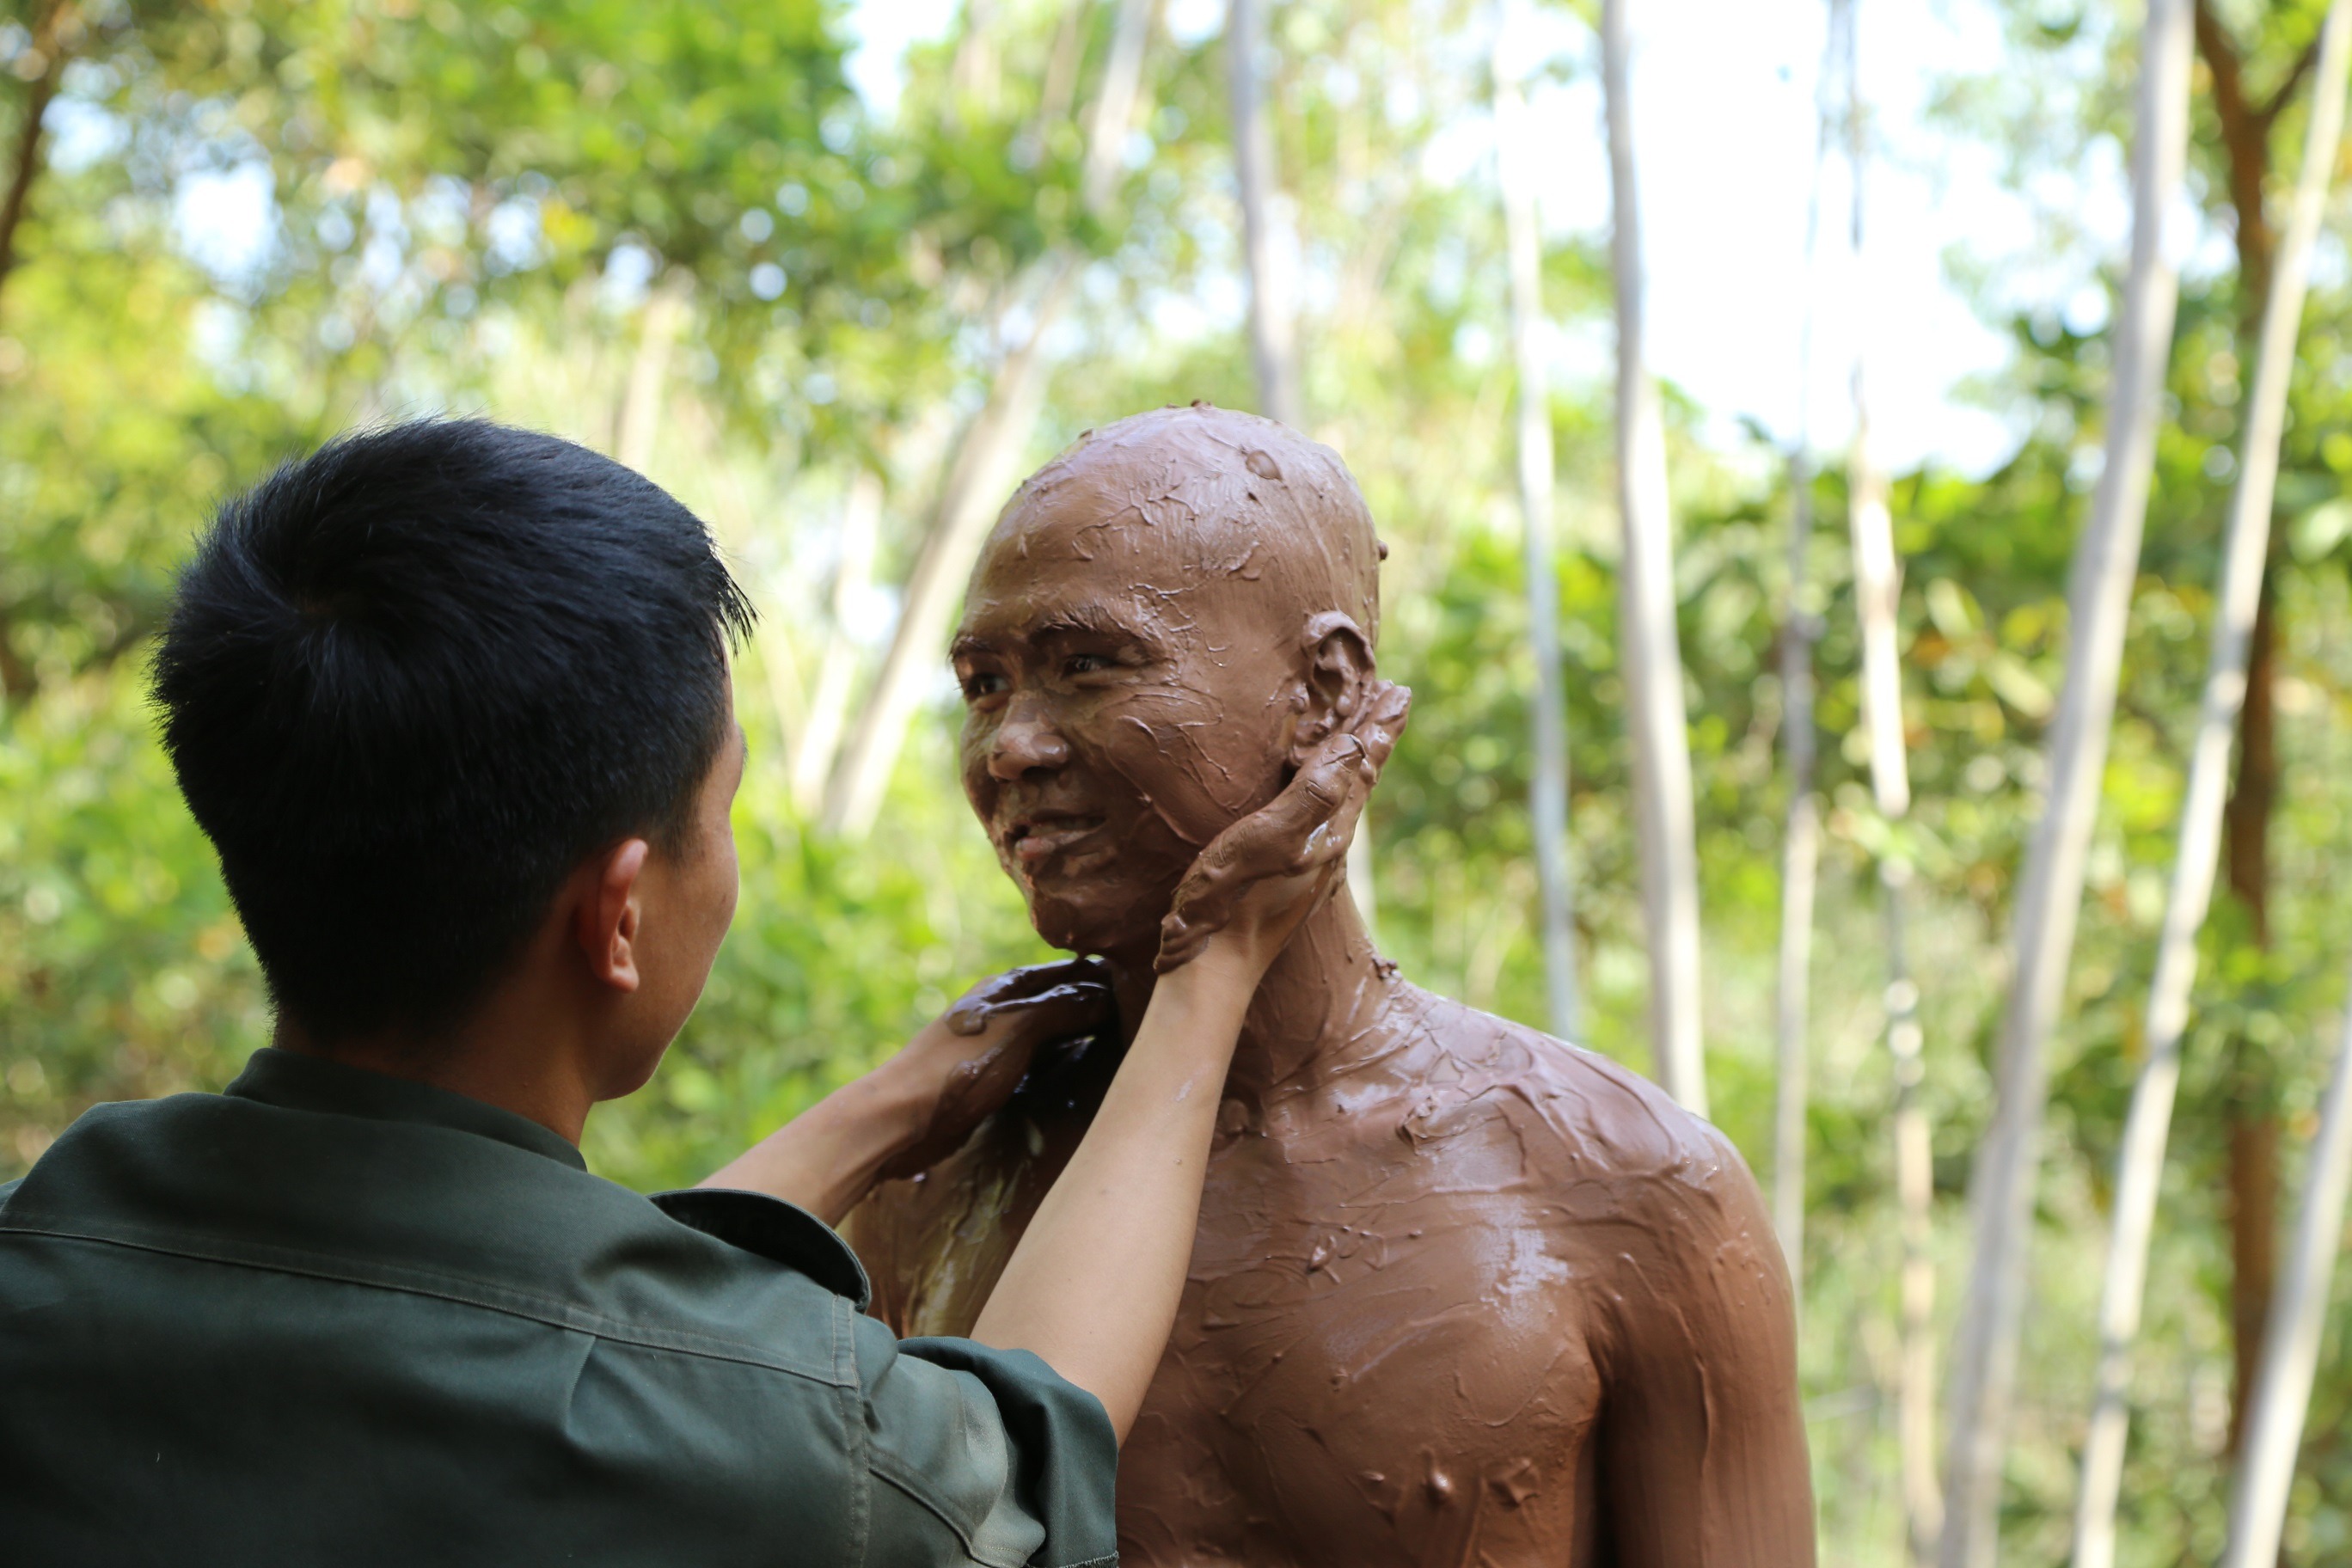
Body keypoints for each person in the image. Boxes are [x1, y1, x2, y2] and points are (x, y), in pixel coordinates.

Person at [0, 420, 1404, 1567]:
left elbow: (526, 1319)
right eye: (719, 811)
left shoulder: (54, 1243)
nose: (1011, 752)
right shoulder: (787, 1452)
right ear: (619, 913)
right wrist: (1207, 974)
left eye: (1082, 669)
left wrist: (888, 1104)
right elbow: (1014, 1464)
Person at [843, 403, 1816, 1565]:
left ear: (1324, 690)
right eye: (984, 684)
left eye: (1086, 666)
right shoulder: (939, 1178)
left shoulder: (1633, 1187)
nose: (1008, 745)